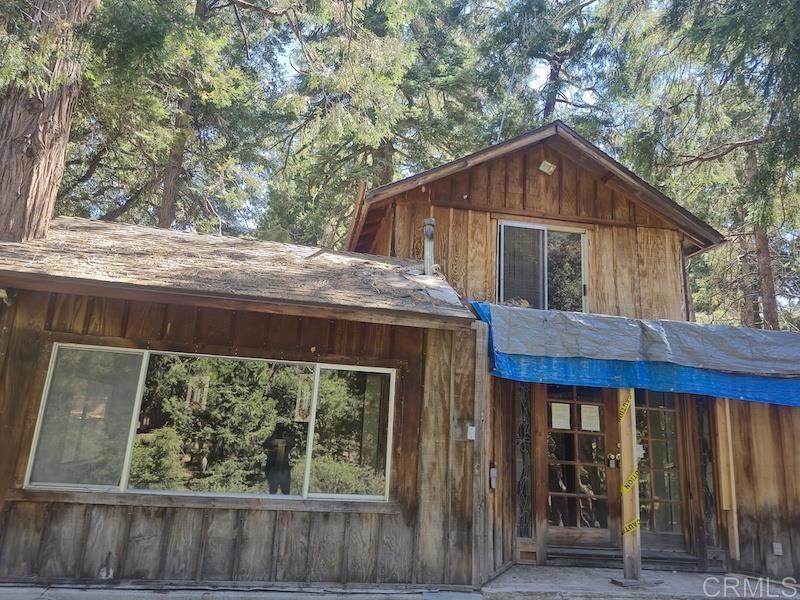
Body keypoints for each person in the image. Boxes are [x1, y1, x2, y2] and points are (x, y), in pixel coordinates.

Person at [262, 421, 295, 494]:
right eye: (279, 429)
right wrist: (274, 437)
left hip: (283, 469)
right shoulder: (271, 439)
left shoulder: (286, 440)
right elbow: (265, 445)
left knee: (286, 492)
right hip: (272, 469)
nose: (280, 431)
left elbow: (292, 444)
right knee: (273, 491)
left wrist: (286, 435)